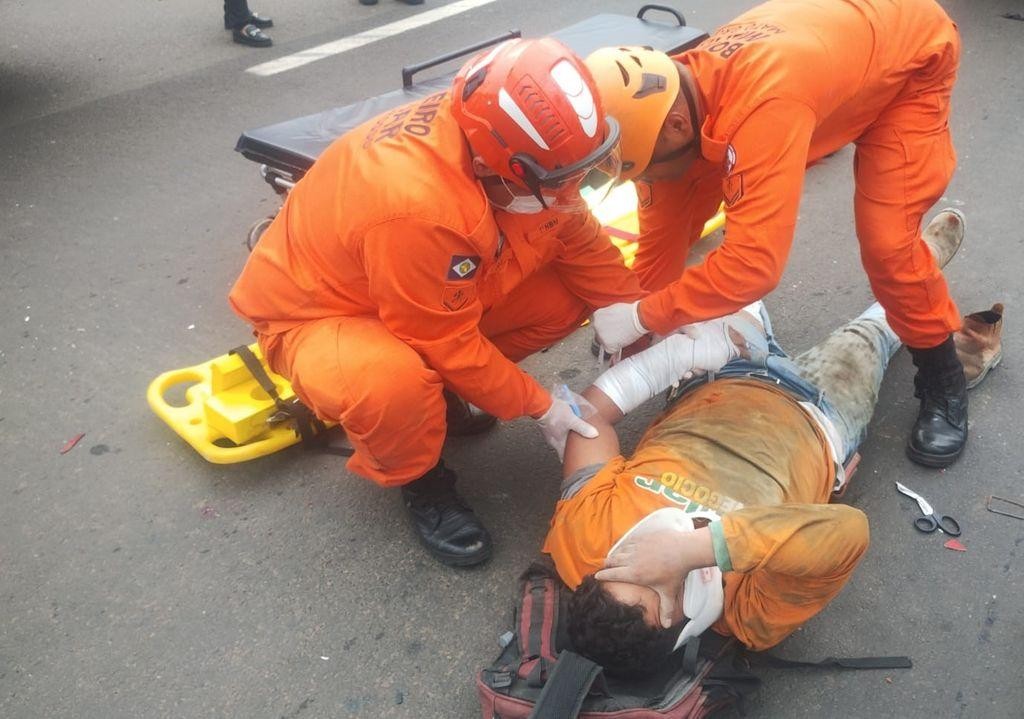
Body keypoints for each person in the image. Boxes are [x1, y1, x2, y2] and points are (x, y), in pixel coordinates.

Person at [229, 39, 643, 567]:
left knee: (563, 299)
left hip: (408, 285)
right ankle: (422, 478)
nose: (573, 191)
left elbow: (573, 231)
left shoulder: (502, 143)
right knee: (389, 385)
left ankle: (440, 396)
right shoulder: (417, 205)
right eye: (561, 180)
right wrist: (540, 405)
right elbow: (444, 336)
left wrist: (636, 313)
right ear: (498, 165)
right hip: (321, 311)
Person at [542, 211, 969, 674]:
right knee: (874, 330)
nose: (646, 555)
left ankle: (753, 228)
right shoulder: (748, 614)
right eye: (652, 579)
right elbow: (848, 531)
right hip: (817, 413)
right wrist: (695, 550)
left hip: (715, 374)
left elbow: (585, 420)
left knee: (719, 279)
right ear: (675, 625)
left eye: (624, 566)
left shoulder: (585, 544)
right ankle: (914, 262)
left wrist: (677, 357)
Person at [584, 0, 969, 469]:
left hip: (910, 56)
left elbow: (753, 266)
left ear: (679, 127)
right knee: (685, 182)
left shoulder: (761, 105)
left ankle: (943, 377)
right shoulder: (668, 103)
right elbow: (661, 241)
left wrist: (643, 315)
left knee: (888, 246)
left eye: (646, 172)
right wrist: (636, 320)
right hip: (828, 55)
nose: (646, 182)